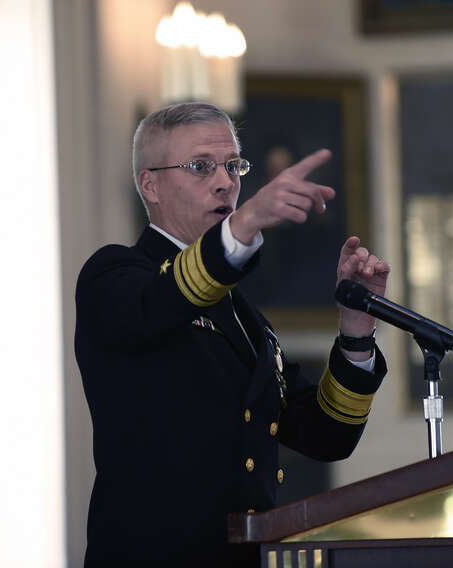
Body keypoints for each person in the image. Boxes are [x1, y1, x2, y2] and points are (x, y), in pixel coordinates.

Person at [74, 102, 390, 566]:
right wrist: (245, 222)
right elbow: (166, 300)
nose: (225, 181)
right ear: (150, 185)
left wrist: (356, 331)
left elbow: (326, 436)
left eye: (233, 166)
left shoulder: (245, 317)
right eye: (201, 167)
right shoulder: (114, 275)